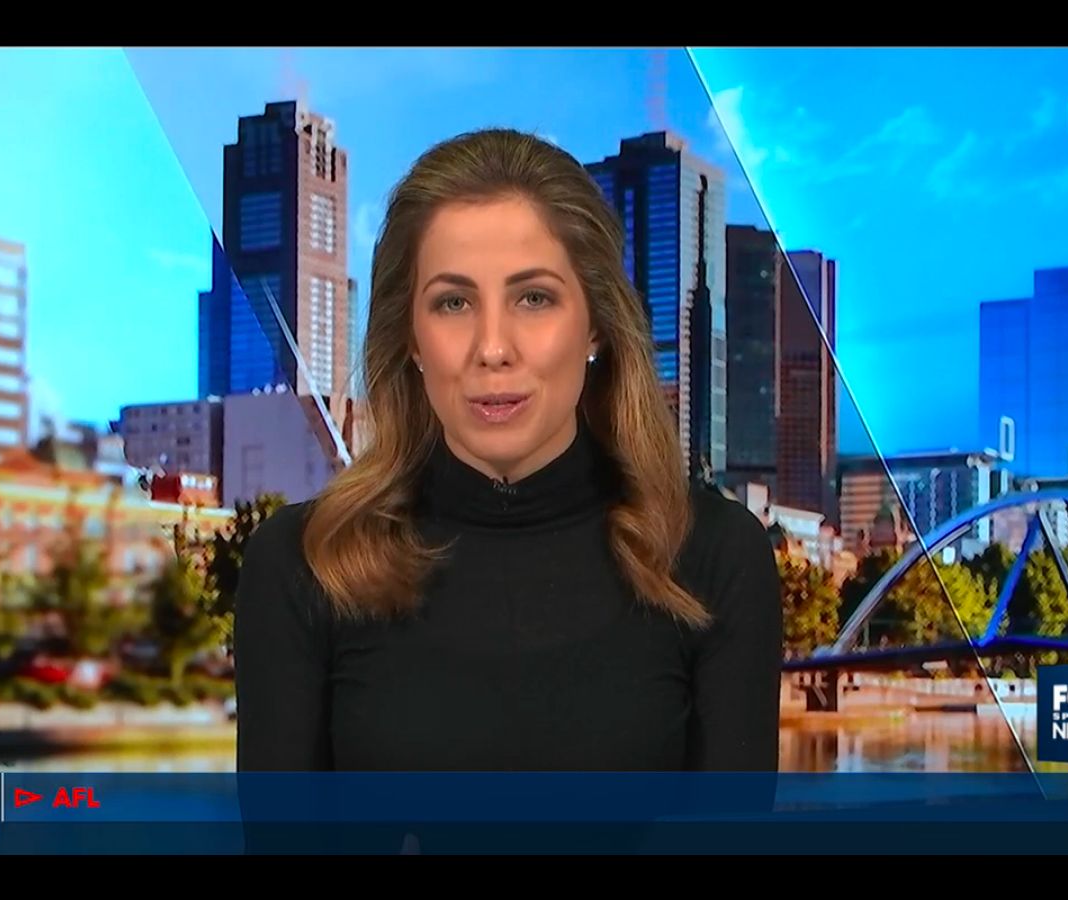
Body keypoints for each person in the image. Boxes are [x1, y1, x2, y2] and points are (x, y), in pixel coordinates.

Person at [233, 128, 784, 772]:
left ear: (596, 327)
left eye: (534, 298)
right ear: (410, 337)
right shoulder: (302, 565)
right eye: (453, 302)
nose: (493, 348)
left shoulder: (715, 558)